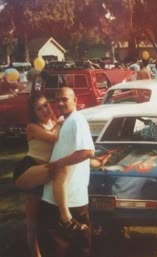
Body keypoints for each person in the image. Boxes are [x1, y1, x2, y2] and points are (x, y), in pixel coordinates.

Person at [14, 93, 85, 257]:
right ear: (34, 113)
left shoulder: (54, 123)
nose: (45, 110)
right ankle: (65, 218)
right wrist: (61, 121)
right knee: (31, 223)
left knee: (42, 221)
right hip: (29, 170)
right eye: (39, 109)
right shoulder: (33, 126)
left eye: (46, 105)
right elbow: (53, 137)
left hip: (45, 172)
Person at [37, 87, 95, 257]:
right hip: (53, 198)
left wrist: (57, 164)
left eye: (65, 99)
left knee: (77, 249)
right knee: (55, 249)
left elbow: (87, 151)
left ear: (75, 100)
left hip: (72, 201)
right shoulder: (66, 121)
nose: (60, 103)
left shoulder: (78, 120)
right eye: (57, 100)